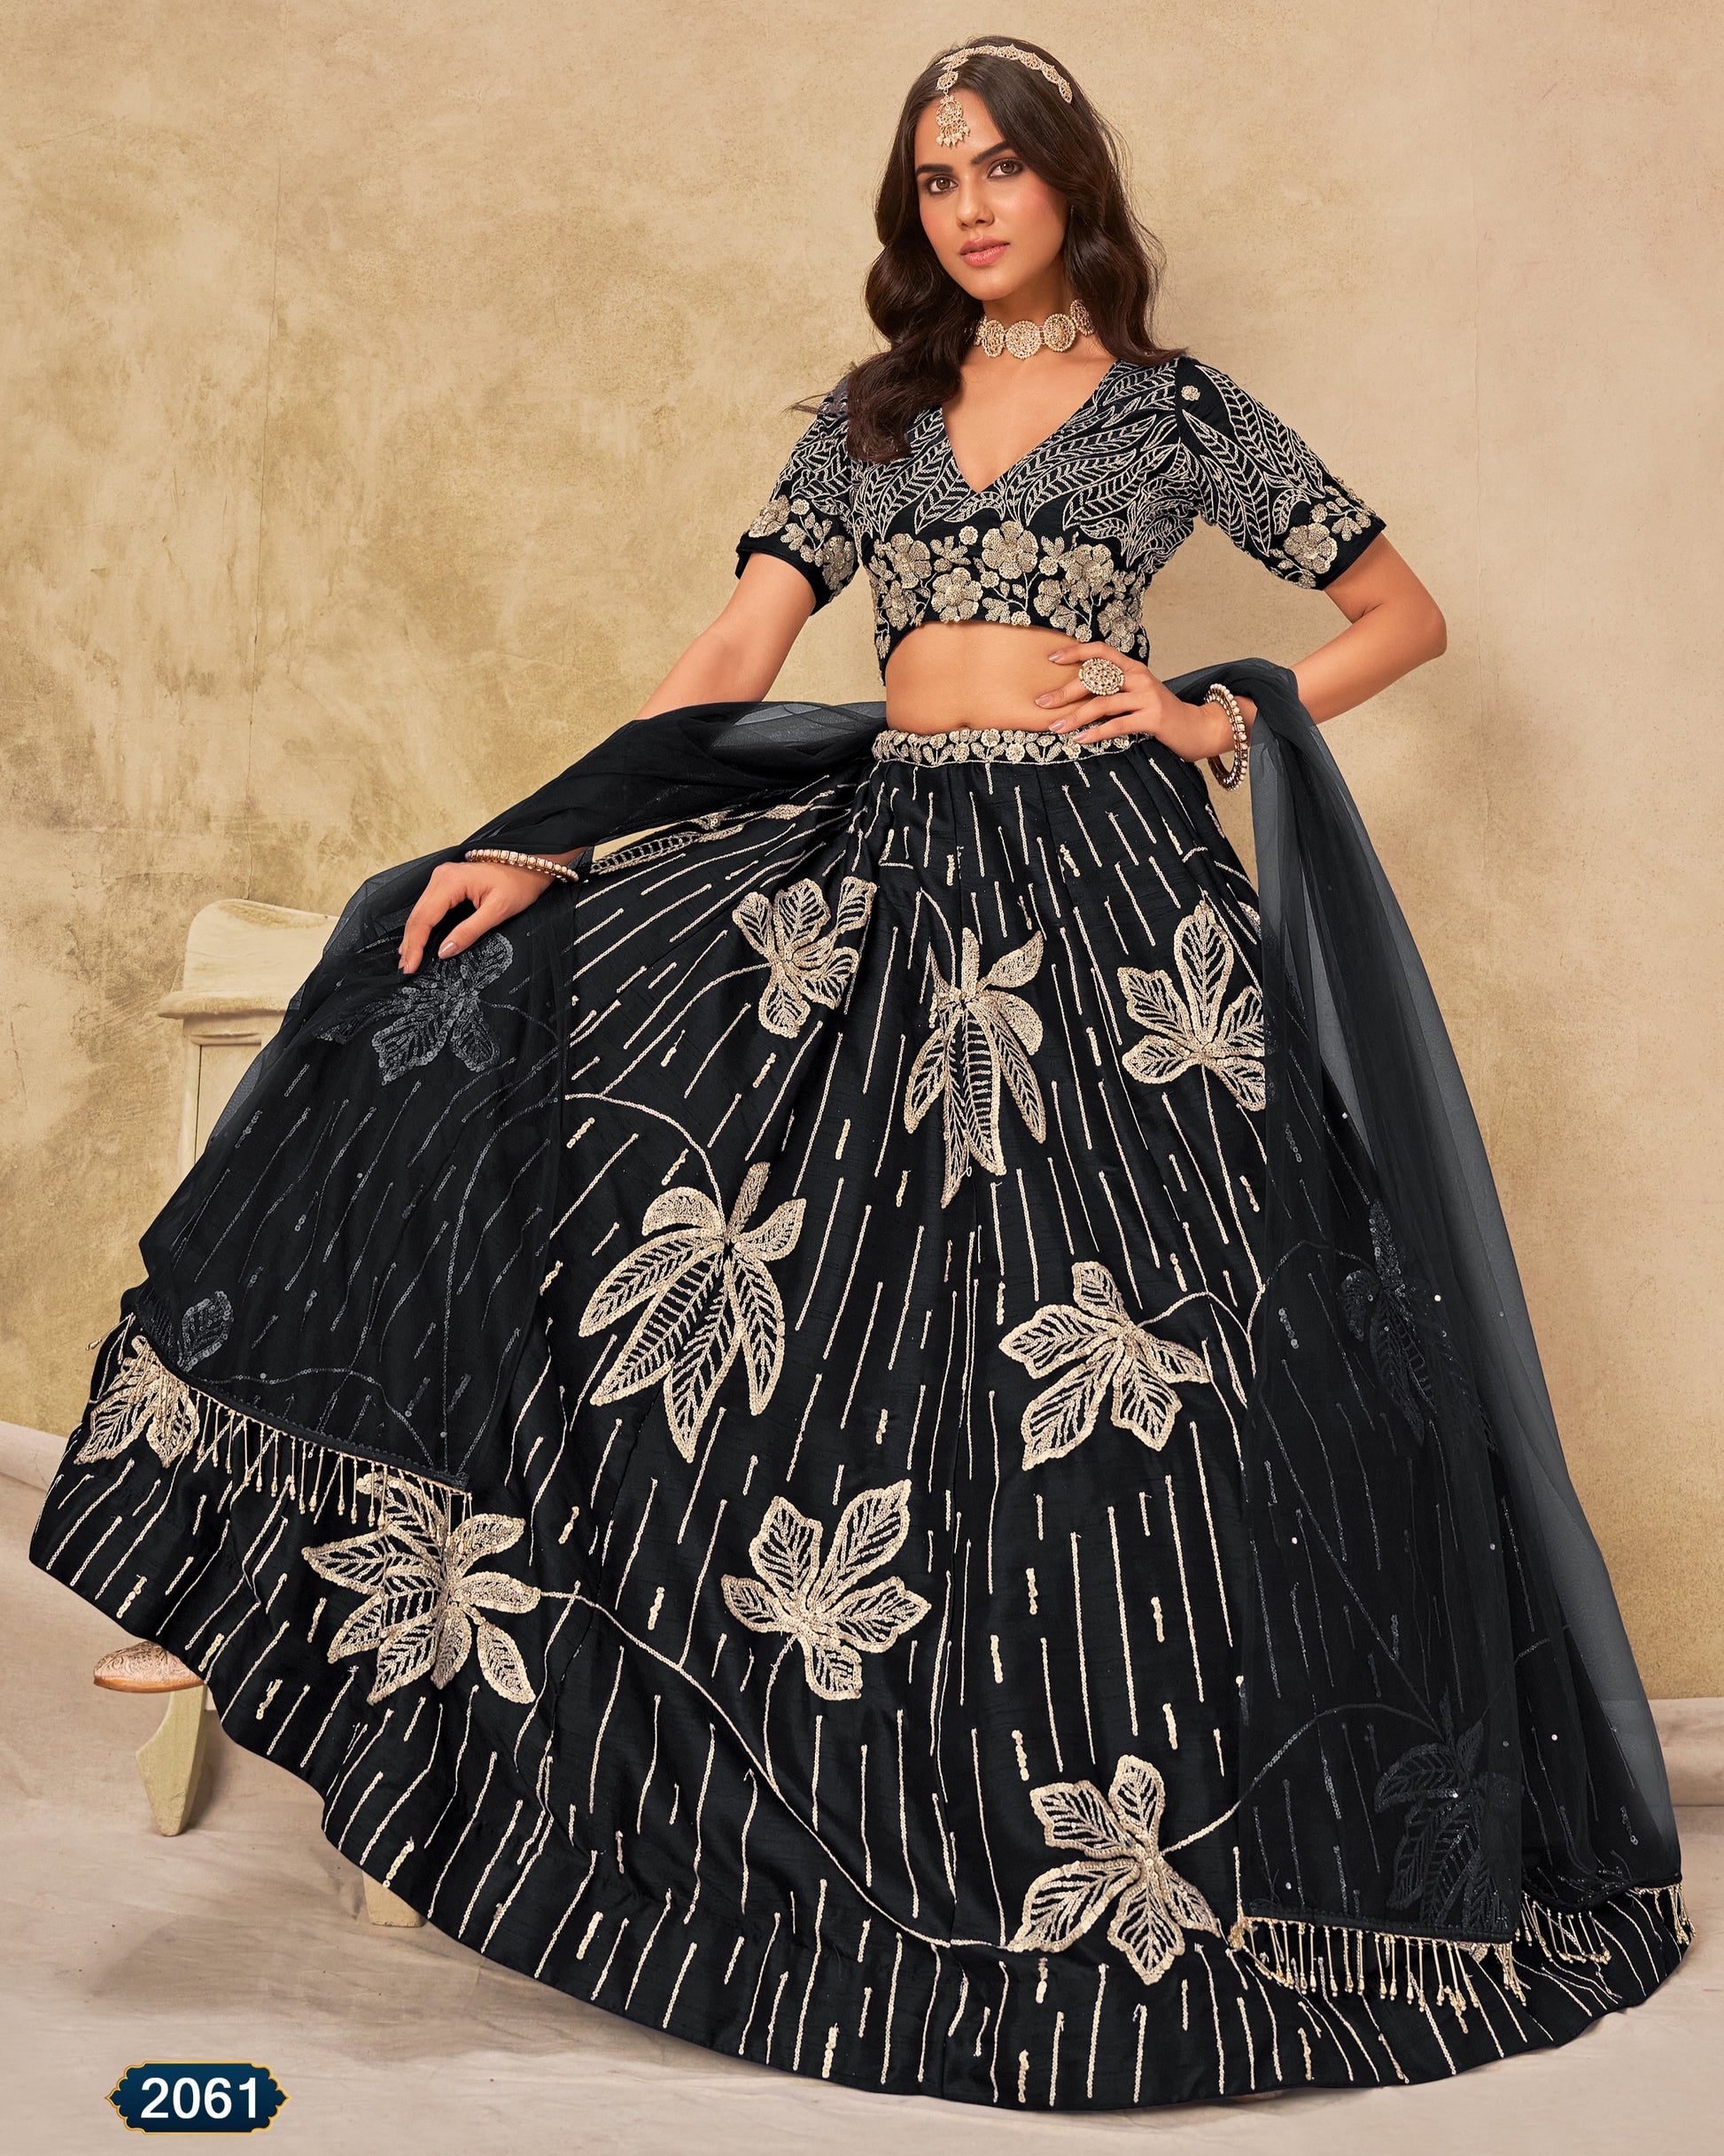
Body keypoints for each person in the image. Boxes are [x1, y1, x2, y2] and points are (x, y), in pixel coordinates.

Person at [31, 37, 1689, 2111]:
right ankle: (342, 1605)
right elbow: (732, 654)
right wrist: (545, 828)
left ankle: (1149, 1847)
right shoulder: (872, 417)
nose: (972, 204)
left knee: (1146, 1363)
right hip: (886, 871)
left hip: (1107, 907)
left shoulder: (1177, 414)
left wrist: (1211, 711)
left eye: (1003, 166)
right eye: (936, 181)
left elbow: (1396, 607)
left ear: (1075, 184)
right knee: (695, 1200)